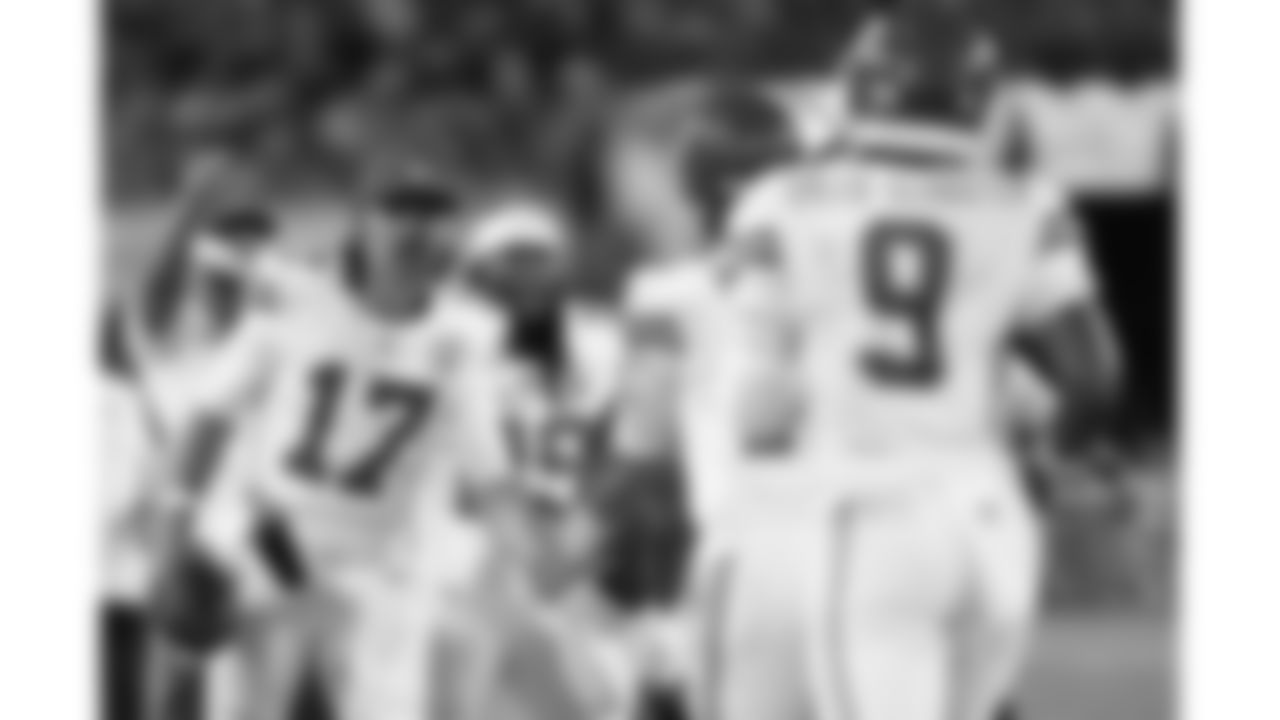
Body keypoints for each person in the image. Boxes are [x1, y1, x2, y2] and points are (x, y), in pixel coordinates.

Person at [698, 21, 1122, 720]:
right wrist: (1057, 458)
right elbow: (1093, 372)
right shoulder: (1028, 200)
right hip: (991, 524)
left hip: (868, 518)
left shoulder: (781, 201)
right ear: (979, 97)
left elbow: (757, 407)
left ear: (861, 88)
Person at [151, 165, 513, 720]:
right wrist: (176, 526)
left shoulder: (468, 335)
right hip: (274, 548)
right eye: (400, 211)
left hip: (386, 572)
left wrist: (507, 574)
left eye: (434, 215)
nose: (416, 229)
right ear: (363, 223)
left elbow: (489, 478)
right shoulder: (295, 297)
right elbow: (212, 413)